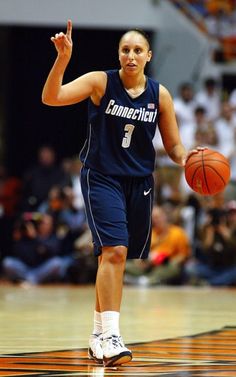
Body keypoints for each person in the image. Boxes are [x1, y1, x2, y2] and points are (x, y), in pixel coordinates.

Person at [42, 20, 197, 367]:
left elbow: (173, 146)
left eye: (137, 50)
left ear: (148, 56)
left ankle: (99, 339)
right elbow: (51, 98)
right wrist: (63, 58)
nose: (131, 55)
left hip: (139, 182)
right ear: (119, 54)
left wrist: (189, 158)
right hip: (102, 177)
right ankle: (112, 334)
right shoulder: (101, 81)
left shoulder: (160, 95)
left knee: (113, 259)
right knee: (115, 251)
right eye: (125, 49)